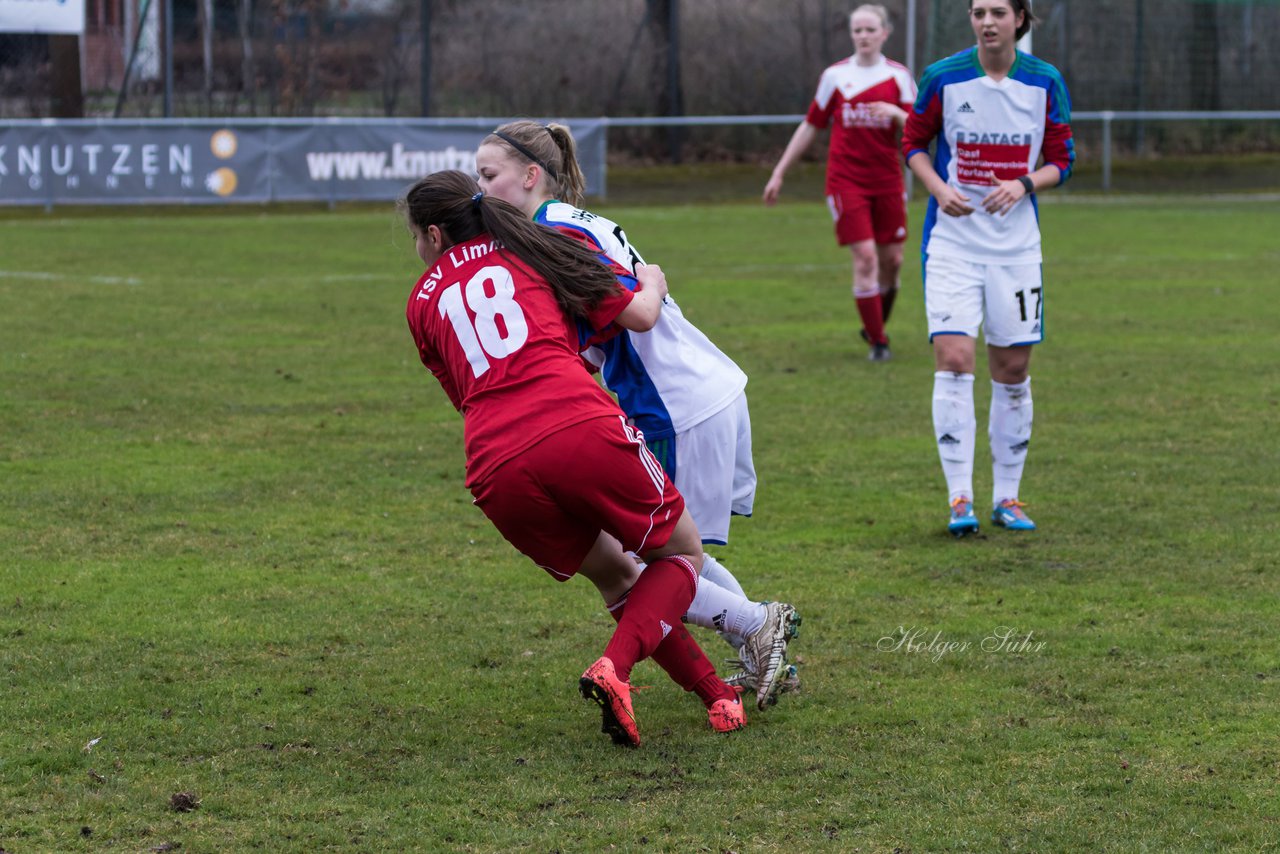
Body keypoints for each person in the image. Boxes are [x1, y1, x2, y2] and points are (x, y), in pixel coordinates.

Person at [400, 170, 747, 747]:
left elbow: (464, 392)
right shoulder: (536, 250)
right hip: (574, 421)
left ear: (434, 236)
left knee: (616, 579)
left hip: (493, 461)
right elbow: (634, 311)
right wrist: (652, 284)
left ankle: (719, 696)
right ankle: (616, 666)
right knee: (682, 551)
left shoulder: (419, 302)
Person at [475, 121, 801, 711]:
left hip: (672, 404)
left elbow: (637, 314)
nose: (480, 189)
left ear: (529, 176)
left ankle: (760, 624)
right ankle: (762, 643)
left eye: (488, 175)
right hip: (700, 388)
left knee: (664, 560)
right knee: (672, 555)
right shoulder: (571, 221)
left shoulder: (551, 233)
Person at [901, 0, 1074, 536]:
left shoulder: (1044, 81)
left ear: (1020, 18)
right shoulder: (943, 77)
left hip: (1017, 251)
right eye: (978, 11)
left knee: (1013, 370)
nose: (987, 21)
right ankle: (960, 498)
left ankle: (1008, 497)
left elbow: (1062, 159)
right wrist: (938, 187)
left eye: (998, 11)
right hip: (952, 244)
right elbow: (913, 144)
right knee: (954, 359)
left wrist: (1023, 184)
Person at [763, 4, 916, 362]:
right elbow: (811, 124)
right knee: (865, 258)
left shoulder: (899, 77)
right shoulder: (835, 76)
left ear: (885, 33)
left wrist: (897, 115)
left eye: (870, 29)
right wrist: (780, 171)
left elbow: (919, 127)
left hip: (888, 180)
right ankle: (879, 343)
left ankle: (875, 324)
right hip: (846, 180)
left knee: (892, 261)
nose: (863, 36)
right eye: (857, 30)